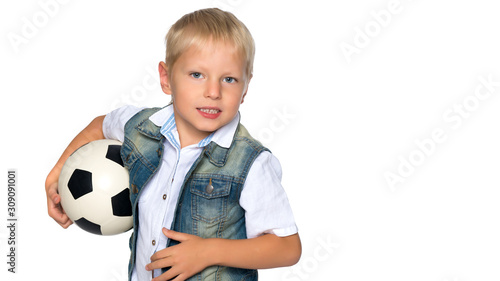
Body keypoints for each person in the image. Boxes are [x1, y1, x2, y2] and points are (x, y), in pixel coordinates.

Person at [45, 8, 301, 281]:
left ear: (246, 87)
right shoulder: (141, 127)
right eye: (196, 75)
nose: (213, 92)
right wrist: (56, 173)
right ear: (166, 78)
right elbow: (100, 125)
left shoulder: (250, 163)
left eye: (229, 79)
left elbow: (287, 248)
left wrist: (208, 251)